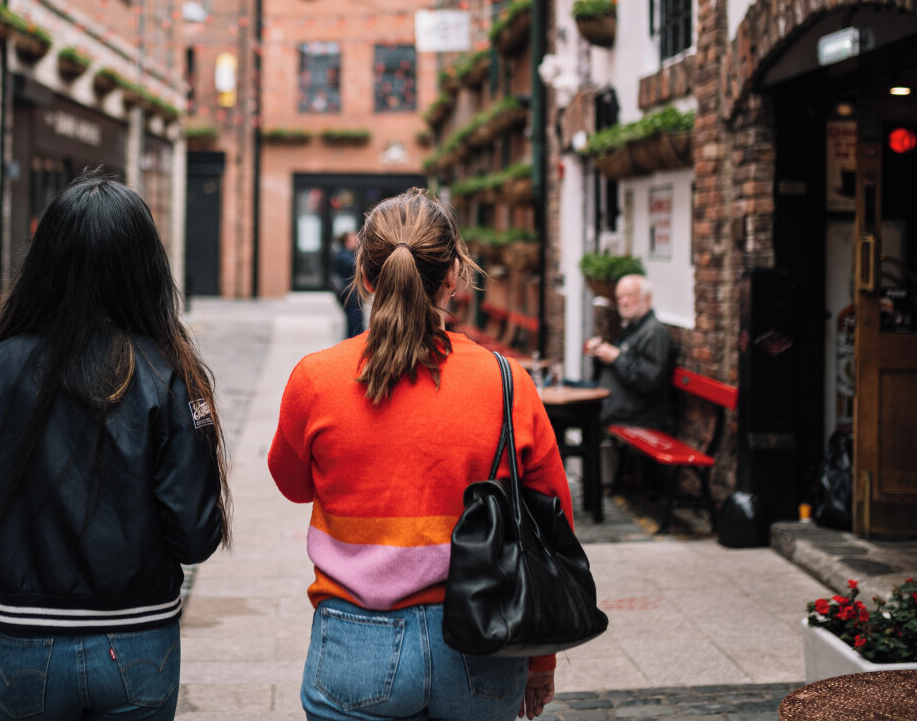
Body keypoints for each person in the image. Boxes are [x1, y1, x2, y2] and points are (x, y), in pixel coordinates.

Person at [268, 188, 568, 721]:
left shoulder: (316, 379)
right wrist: (539, 658)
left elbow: (292, 484)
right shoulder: (507, 383)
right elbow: (550, 527)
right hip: (482, 637)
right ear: (453, 276)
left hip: (356, 642)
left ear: (364, 276)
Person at [0, 174, 229, 721]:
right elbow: (195, 535)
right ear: (145, 266)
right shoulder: (168, 372)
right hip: (138, 635)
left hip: (24, 639)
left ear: (45, 260)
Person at [583, 274, 674, 428]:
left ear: (647, 298)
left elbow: (648, 382)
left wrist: (616, 358)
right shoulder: (632, 328)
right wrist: (600, 353)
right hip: (615, 411)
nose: (623, 302)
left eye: (630, 296)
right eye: (620, 298)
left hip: (638, 419)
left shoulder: (655, 332)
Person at [333, 230, 365, 339]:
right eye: (353, 240)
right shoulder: (344, 256)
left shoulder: (349, 255)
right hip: (350, 294)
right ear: (346, 242)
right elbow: (357, 268)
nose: (356, 242)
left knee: (355, 320)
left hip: (352, 293)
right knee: (354, 321)